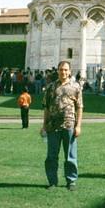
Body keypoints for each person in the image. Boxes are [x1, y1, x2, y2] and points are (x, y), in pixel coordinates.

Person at [41, 60, 83, 191]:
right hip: (53, 126)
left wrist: (78, 126)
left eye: (65, 70)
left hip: (69, 125)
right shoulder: (51, 87)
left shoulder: (76, 87)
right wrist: (44, 125)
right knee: (51, 156)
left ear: (70, 71)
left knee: (70, 156)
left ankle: (71, 181)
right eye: (61, 69)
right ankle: (52, 182)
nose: (63, 72)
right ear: (57, 71)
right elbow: (46, 107)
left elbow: (80, 107)